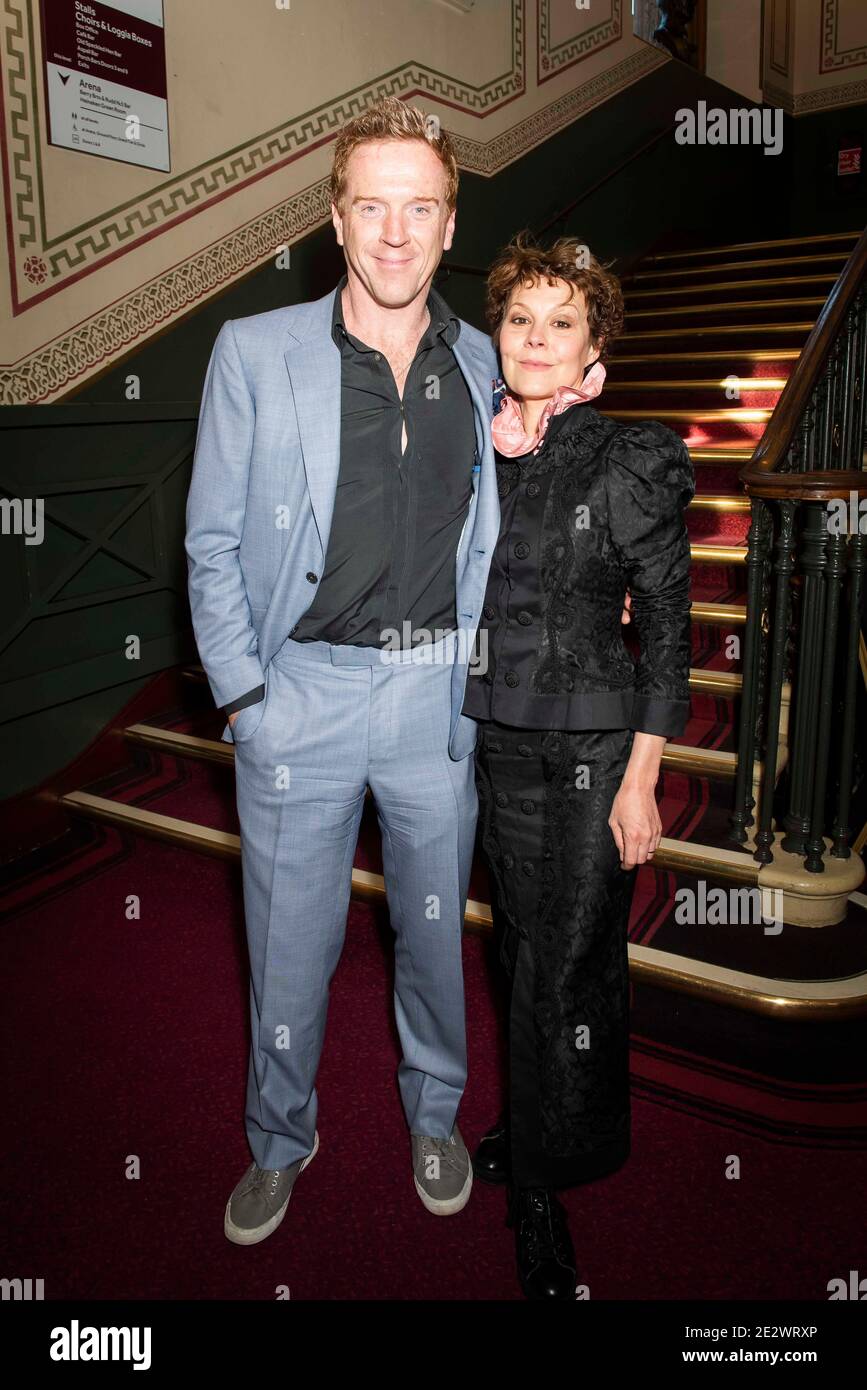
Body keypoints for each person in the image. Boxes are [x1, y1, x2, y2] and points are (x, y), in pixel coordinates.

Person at [185, 96, 501, 1245]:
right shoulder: (255, 353)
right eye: (372, 205)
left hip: (432, 700)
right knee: (289, 946)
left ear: (451, 223)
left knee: (431, 935)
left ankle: (435, 1115)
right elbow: (211, 542)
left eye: (421, 207)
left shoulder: (486, 363)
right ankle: (280, 1134)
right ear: (337, 218)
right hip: (299, 698)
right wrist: (245, 699)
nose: (396, 231)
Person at [462, 232, 695, 1298]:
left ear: (594, 348)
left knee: (567, 963)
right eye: (521, 320)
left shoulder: (629, 454)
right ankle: (536, 1118)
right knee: (516, 954)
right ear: (499, 338)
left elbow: (675, 628)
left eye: (563, 323)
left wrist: (645, 774)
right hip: (497, 741)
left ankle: (541, 1195)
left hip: (596, 751)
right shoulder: (480, 447)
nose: (539, 338)